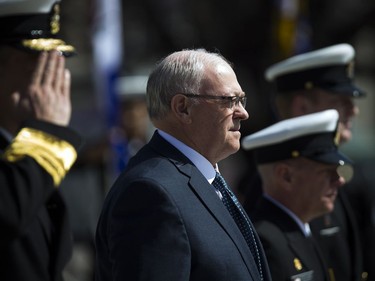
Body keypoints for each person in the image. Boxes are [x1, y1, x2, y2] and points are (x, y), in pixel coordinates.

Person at [95, 49, 272, 281]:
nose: (243, 113)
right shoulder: (151, 193)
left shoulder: (201, 180)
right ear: (183, 108)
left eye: (241, 100)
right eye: (229, 100)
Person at [242, 43, 366, 281]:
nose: (354, 111)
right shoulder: (272, 188)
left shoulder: (331, 175)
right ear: (302, 107)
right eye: (342, 101)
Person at [0, 0, 83, 280]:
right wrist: (46, 135)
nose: (55, 74)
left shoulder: (18, 147)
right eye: (38, 61)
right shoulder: (36, 146)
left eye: (57, 60)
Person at [241, 109, 353, 281]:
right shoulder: (264, 242)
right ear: (286, 176)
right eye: (327, 172)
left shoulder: (301, 229)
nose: (339, 180)